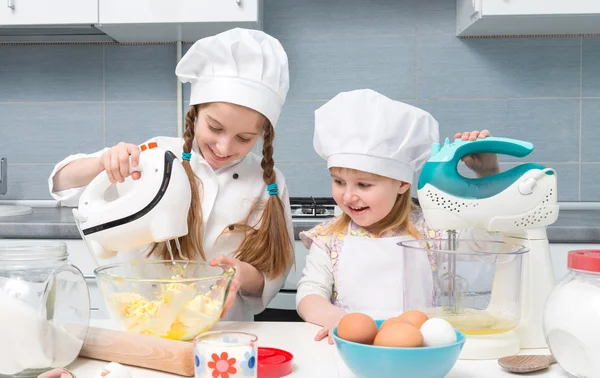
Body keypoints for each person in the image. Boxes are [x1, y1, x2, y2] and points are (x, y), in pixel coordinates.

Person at [48, 28, 295, 321]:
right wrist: (105, 162)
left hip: (224, 334)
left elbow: (273, 275)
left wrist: (244, 275)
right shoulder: (154, 156)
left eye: (244, 138)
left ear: (262, 135)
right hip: (140, 323)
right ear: (195, 113)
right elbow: (61, 181)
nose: (224, 146)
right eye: (214, 128)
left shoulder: (269, 184)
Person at [295, 89, 499, 343]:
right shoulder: (329, 238)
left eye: (364, 185)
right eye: (339, 181)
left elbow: (487, 244)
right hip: (351, 348)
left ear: (402, 183)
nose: (348, 196)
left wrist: (488, 174)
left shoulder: (430, 230)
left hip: (420, 348)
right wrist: (337, 320)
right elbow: (309, 293)